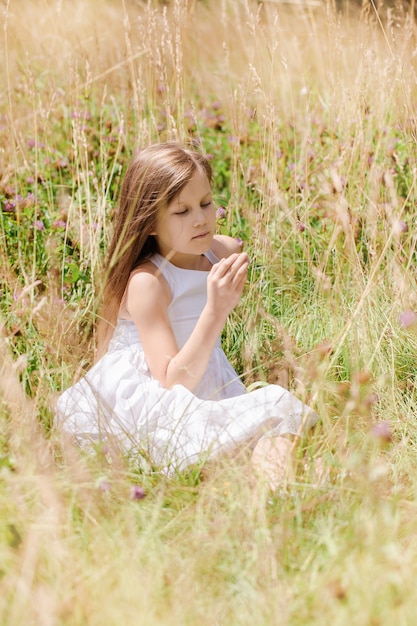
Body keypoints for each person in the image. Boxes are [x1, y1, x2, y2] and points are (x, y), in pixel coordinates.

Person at [55, 142, 318, 487]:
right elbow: (172, 381)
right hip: (155, 396)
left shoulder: (219, 251)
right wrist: (216, 309)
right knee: (260, 418)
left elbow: (235, 249)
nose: (200, 219)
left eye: (206, 203)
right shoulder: (148, 282)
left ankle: (279, 497)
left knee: (274, 426)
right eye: (182, 211)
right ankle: (274, 491)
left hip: (204, 376)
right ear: (148, 222)